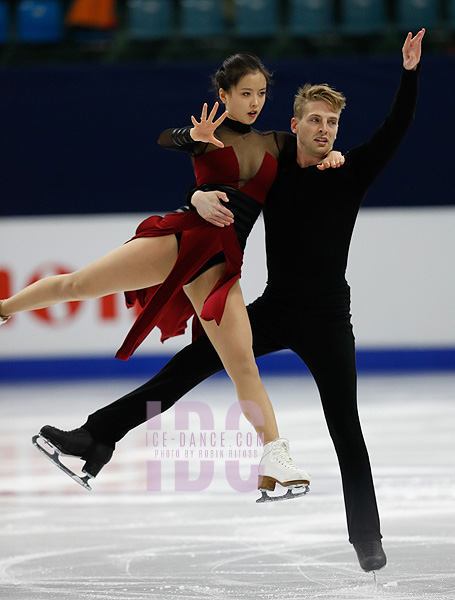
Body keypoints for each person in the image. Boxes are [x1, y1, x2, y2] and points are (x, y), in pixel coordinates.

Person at [31, 28, 422, 570]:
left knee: (346, 428)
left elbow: (396, 126)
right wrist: (195, 193)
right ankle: (97, 437)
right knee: (185, 368)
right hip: (276, 308)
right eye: (315, 120)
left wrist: (408, 73)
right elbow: (214, 170)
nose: (324, 129)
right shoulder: (276, 168)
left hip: (329, 319)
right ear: (295, 125)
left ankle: (367, 539)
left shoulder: (351, 171)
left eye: (332, 123)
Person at [1, 54, 344, 498]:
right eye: (245, 93)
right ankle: (5, 308)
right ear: (224, 95)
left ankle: (275, 457)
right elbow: (167, 138)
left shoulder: (275, 142)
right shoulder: (208, 136)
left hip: (221, 262)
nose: (254, 102)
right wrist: (193, 145)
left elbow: (309, 151)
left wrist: (332, 154)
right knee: (79, 284)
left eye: (261, 93)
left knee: (242, 364)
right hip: (182, 240)